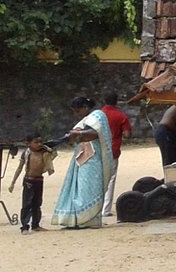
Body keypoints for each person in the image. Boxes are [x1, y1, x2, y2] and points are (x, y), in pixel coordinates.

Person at [51, 96, 114, 229]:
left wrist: (78, 134)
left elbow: (95, 133)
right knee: (81, 188)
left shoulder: (97, 116)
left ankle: (88, 219)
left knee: (90, 188)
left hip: (94, 159)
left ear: (85, 108)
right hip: (84, 158)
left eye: (77, 111)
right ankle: (79, 219)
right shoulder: (87, 119)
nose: (76, 114)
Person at [7, 134, 57, 233]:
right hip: (29, 180)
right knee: (27, 204)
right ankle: (25, 226)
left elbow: (54, 154)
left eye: (41, 142)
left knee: (37, 203)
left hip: (39, 180)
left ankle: (35, 225)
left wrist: (46, 147)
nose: (39, 144)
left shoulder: (44, 153)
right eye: (36, 142)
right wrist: (12, 183)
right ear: (28, 144)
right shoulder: (27, 153)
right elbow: (19, 168)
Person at [100, 91, 133, 217]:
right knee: (111, 179)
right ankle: (105, 209)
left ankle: (94, 207)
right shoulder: (120, 116)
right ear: (116, 101)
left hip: (98, 150)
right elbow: (127, 135)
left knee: (98, 178)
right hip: (113, 150)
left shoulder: (98, 115)